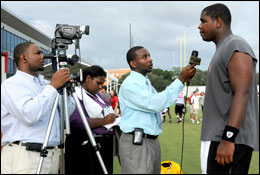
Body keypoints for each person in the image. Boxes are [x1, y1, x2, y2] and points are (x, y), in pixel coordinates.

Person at [198, 3, 259, 174]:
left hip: (229, 139)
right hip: (217, 136)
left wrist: (228, 139)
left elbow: (242, 93)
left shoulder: (236, 45)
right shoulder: (222, 48)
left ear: (218, 22)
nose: (199, 26)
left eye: (203, 21)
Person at [118, 46, 196, 174]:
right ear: (133, 64)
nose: (150, 59)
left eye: (149, 55)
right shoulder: (131, 84)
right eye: (144, 57)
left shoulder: (145, 82)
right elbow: (155, 103)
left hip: (150, 141)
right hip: (137, 143)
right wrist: (181, 79)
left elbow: (160, 101)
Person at [1, 42, 75, 174]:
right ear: (24, 58)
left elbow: (66, 114)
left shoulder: (45, 84)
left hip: (50, 153)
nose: (43, 57)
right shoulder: (11, 84)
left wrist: (66, 93)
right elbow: (29, 114)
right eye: (38, 53)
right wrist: (53, 87)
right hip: (24, 156)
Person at [65, 65, 116, 174]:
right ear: (88, 78)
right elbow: (76, 123)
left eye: (102, 84)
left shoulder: (98, 96)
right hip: (86, 146)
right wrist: (103, 121)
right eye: (98, 83)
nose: (100, 87)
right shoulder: (75, 95)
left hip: (103, 144)